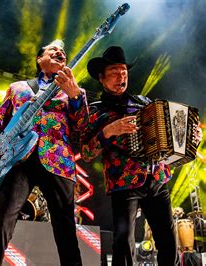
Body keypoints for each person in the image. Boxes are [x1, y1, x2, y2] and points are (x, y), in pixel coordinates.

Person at [80, 46, 202, 266]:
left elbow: (170, 137)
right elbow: (87, 152)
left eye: (124, 72)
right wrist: (108, 131)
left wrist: (192, 135)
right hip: (123, 184)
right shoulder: (96, 110)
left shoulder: (144, 103)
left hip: (157, 179)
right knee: (123, 243)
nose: (121, 77)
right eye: (115, 72)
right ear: (102, 78)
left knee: (168, 242)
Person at [0, 39, 88, 266]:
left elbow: (83, 129)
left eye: (63, 51)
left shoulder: (75, 91)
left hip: (57, 160)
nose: (60, 52)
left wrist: (75, 96)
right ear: (39, 59)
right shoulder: (18, 88)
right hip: (16, 160)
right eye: (53, 49)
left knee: (66, 230)